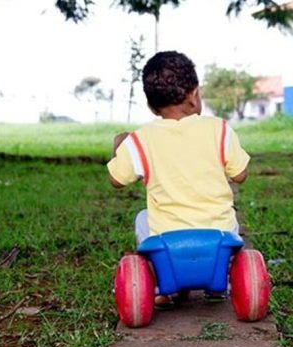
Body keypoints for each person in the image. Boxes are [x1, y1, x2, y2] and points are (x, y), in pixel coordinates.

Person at [107, 50, 250, 306]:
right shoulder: (219, 129)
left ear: (151, 106)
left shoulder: (141, 139)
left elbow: (116, 179)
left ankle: (163, 284)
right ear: (194, 95)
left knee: (142, 218)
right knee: (230, 214)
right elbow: (240, 175)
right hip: (218, 236)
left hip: (167, 241)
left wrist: (120, 146)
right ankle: (218, 283)